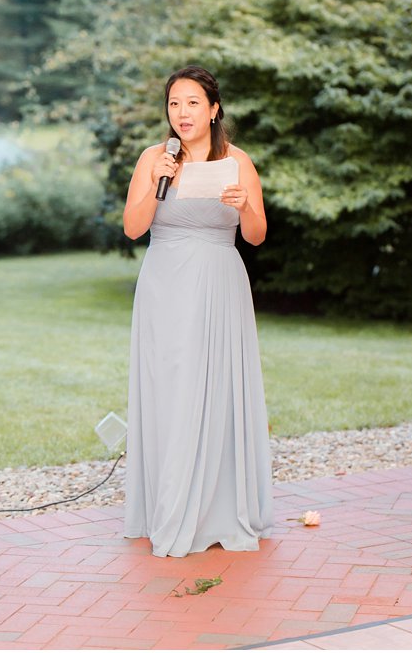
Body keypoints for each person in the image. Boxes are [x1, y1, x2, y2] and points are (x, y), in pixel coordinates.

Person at [121, 65, 273, 558]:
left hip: (218, 284)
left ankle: (216, 507)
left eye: (191, 103)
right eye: (173, 104)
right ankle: (169, 502)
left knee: (216, 386)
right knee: (171, 387)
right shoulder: (153, 158)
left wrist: (245, 203)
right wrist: (154, 183)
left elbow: (256, 234)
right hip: (164, 285)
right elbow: (132, 228)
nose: (181, 113)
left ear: (213, 109)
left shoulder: (238, 161)